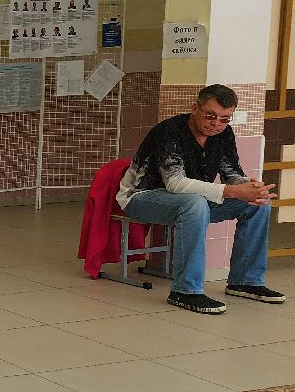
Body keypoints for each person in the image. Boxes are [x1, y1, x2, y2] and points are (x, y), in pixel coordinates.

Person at [117, 83, 283, 314]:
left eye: (225, 119)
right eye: (211, 116)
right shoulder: (169, 130)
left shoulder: (222, 134)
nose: (216, 124)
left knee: (258, 205)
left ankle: (244, 281)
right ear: (195, 108)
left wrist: (252, 189)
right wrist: (233, 191)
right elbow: (175, 183)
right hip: (141, 197)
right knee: (193, 203)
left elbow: (231, 173)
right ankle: (185, 291)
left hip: (189, 202)